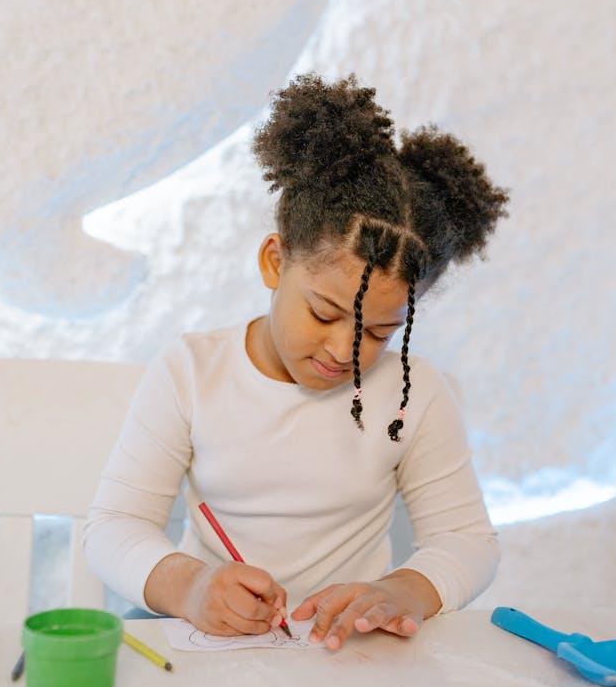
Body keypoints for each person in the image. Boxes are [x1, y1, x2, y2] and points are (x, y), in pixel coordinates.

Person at [84, 73, 509, 651]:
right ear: (275, 263)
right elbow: (112, 528)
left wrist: (406, 590)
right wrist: (191, 589)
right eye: (325, 312)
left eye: (381, 332)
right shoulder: (189, 372)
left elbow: (467, 540)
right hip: (205, 646)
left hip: (344, 655)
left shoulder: (416, 393)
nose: (345, 351)